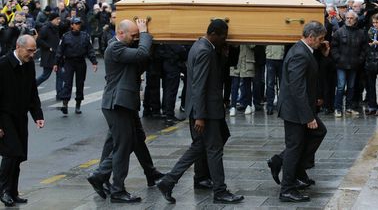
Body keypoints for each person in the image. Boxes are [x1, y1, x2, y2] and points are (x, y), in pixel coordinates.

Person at [156, 19, 244, 204]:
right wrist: (200, 116)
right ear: (215, 34)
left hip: (206, 110)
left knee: (202, 146)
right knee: (214, 149)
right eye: (224, 36)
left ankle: (169, 181)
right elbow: (200, 85)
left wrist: (226, 52)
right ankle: (220, 191)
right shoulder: (204, 51)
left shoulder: (201, 46)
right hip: (206, 112)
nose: (225, 39)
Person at [87, 18, 156, 203]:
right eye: (133, 35)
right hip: (117, 104)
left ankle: (102, 176)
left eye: (137, 36)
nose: (135, 38)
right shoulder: (115, 48)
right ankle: (115, 188)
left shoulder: (124, 47)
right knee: (123, 146)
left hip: (124, 103)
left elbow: (142, 59)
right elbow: (142, 54)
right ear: (120, 33)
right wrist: (145, 33)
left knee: (127, 141)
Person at [271, 21, 327, 202]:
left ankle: (283, 162)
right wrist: (308, 116)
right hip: (294, 111)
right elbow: (297, 87)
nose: (322, 42)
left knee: (315, 133)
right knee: (295, 147)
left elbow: (309, 75)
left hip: (299, 108)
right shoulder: (300, 54)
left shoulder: (305, 51)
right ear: (310, 37)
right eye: (320, 39)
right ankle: (287, 188)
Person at [0, 35, 44, 207]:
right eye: (30, 51)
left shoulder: (29, 64)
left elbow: (32, 91)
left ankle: (13, 191)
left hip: (20, 116)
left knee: (18, 156)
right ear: (19, 47)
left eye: (34, 51)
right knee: (11, 153)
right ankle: (3, 190)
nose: (32, 54)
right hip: (4, 117)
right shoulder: (3, 65)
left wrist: (38, 115)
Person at [53, 17, 98, 114]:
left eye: (79, 23)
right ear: (72, 25)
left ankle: (78, 105)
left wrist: (94, 62)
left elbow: (90, 50)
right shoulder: (66, 36)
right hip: (69, 62)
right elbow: (60, 50)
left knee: (80, 84)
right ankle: (65, 104)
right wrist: (56, 63)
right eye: (76, 23)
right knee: (67, 83)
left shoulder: (85, 36)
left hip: (81, 62)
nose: (78, 25)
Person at [331, 10, 367, 117]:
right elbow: (334, 47)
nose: (349, 20)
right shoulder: (339, 32)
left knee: (351, 87)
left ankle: (349, 107)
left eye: (351, 18)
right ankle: (338, 108)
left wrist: (360, 59)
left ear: (355, 20)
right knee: (341, 86)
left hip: (354, 64)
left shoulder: (360, 33)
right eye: (347, 18)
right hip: (341, 64)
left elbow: (364, 49)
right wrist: (338, 58)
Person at [36, 13, 63, 98]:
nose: (59, 21)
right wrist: (48, 47)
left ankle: (59, 93)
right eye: (57, 19)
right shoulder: (45, 28)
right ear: (52, 19)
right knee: (45, 75)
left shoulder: (56, 28)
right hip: (48, 55)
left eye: (59, 19)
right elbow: (39, 40)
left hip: (56, 55)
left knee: (60, 74)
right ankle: (31, 87)